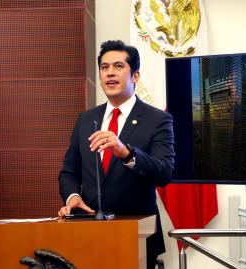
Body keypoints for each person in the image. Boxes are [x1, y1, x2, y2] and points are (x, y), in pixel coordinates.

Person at [57, 40, 175, 269]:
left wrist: (126, 153)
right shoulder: (86, 119)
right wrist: (73, 197)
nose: (110, 73)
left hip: (136, 237)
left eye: (119, 66)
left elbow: (164, 172)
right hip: (88, 235)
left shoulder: (157, 119)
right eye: (104, 67)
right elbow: (69, 172)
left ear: (135, 76)